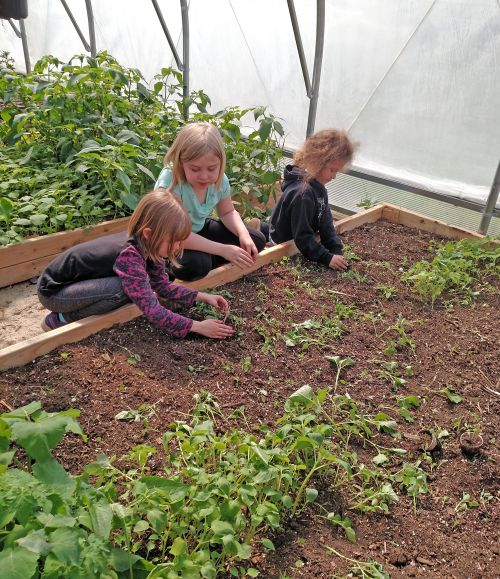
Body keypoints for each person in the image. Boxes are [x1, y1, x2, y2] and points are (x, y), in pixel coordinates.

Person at [37, 190, 233, 339]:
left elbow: (162, 286)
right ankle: (60, 319)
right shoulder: (129, 256)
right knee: (125, 290)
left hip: (75, 286)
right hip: (54, 292)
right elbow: (153, 311)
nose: (178, 247)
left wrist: (202, 296)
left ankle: (66, 314)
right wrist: (198, 327)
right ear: (149, 233)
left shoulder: (148, 246)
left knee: (137, 287)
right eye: (174, 241)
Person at [155, 122, 266, 281]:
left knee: (256, 241)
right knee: (196, 265)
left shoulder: (221, 179)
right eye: (195, 169)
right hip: (172, 240)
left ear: (221, 163)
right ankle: (167, 266)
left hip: (198, 229)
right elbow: (176, 235)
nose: (204, 176)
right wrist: (223, 250)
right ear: (181, 163)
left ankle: (209, 257)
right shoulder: (171, 182)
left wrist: (243, 234)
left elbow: (227, 212)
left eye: (212, 168)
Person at [267, 129, 356, 271]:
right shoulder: (303, 194)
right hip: (283, 244)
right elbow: (302, 237)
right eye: (332, 170)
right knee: (264, 240)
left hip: (298, 237)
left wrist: (335, 249)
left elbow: (326, 222)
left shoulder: (318, 188)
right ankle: (261, 235)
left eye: (337, 171)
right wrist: (326, 258)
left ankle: (260, 228)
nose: (334, 177)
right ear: (317, 162)